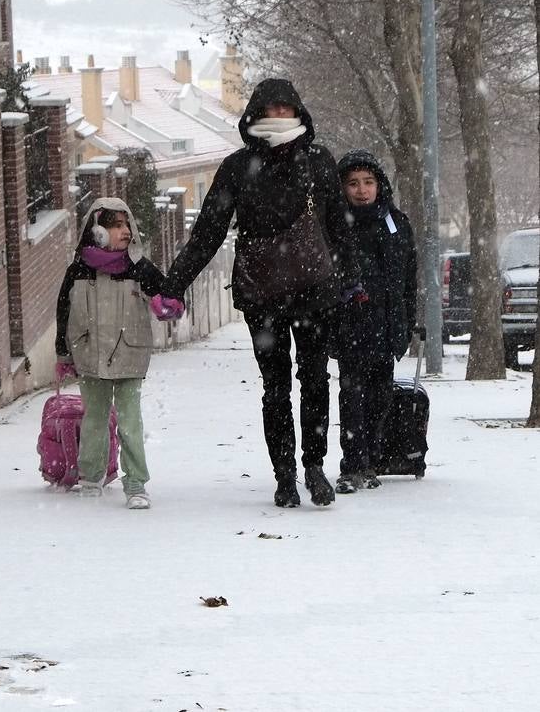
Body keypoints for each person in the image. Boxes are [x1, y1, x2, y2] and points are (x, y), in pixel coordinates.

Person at [155, 78, 359, 508]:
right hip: (263, 295)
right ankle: (284, 475)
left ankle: (315, 467)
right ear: (255, 115)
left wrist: (350, 282)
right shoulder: (236, 166)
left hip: (313, 293)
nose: (279, 117)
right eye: (271, 110)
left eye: (286, 109)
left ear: (299, 113)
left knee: (316, 379)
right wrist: (174, 284)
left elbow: (339, 229)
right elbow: (208, 232)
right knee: (275, 386)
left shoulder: (319, 161)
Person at [54, 198, 183, 510]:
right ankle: (90, 478)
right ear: (97, 231)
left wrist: (166, 305)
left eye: (127, 225)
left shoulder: (140, 268)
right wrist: (64, 354)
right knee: (94, 419)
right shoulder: (79, 270)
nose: (126, 231)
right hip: (90, 354)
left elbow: (170, 297)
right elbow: (64, 311)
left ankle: (136, 482)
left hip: (130, 353)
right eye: (116, 226)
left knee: (130, 421)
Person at [331, 150, 417, 494]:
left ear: (379, 185)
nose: (362, 190)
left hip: (386, 327)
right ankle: (351, 465)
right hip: (350, 325)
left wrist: (406, 323)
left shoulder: (396, 223)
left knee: (380, 396)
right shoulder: (335, 226)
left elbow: (408, 281)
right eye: (353, 184)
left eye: (368, 182)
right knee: (351, 396)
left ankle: (371, 461)